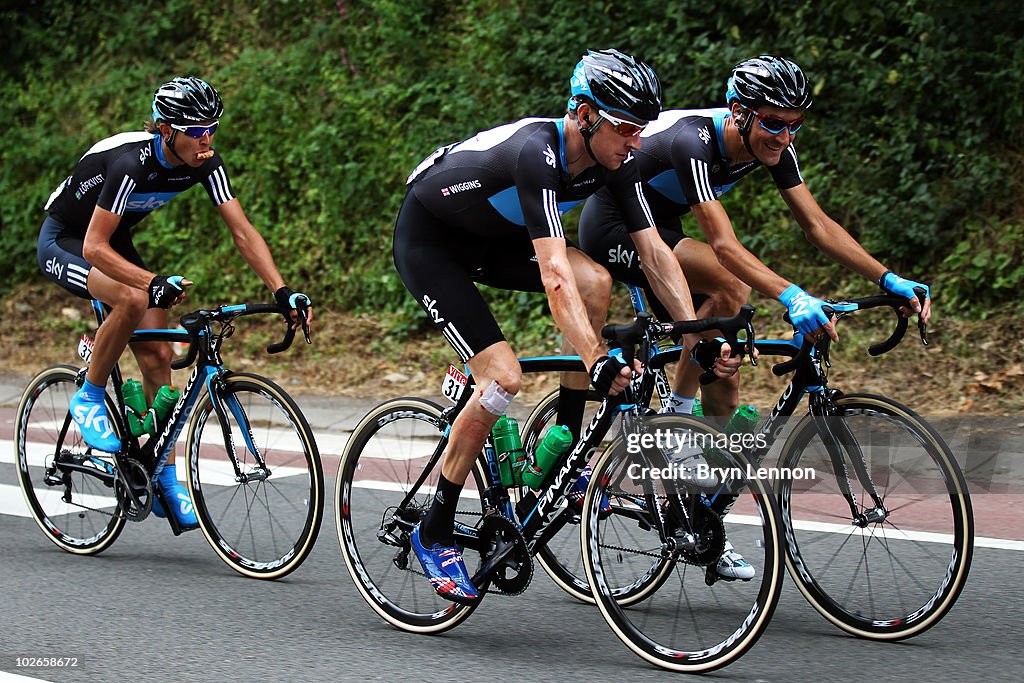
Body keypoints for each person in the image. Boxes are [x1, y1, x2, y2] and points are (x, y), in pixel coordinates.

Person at [394, 49, 740, 604]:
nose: (636, 143)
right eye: (626, 129)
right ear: (584, 116)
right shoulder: (538, 154)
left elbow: (654, 253)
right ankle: (434, 529)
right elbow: (555, 275)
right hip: (434, 244)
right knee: (503, 379)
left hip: (495, 242)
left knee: (598, 282)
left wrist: (699, 333)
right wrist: (596, 359)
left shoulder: (618, 162)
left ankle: (567, 451)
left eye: (642, 130)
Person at [578, 54, 931, 579]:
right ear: (740, 112)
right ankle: (676, 423)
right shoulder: (694, 140)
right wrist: (792, 295)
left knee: (728, 367)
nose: (784, 137)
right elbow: (722, 244)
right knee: (730, 287)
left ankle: (703, 523)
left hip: (662, 227)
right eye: (772, 123)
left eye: (795, 125)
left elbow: (816, 223)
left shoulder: (773, 144)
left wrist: (887, 278)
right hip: (615, 229)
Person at [37, 76, 312, 529]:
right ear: (166, 130)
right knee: (131, 296)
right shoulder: (132, 163)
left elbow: (241, 231)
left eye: (213, 128)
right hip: (67, 240)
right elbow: (92, 248)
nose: (207, 140)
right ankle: (88, 396)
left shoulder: (205, 162)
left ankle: (158, 468)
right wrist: (152, 281)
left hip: (111, 238)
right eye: (196, 130)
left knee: (160, 354)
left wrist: (281, 291)